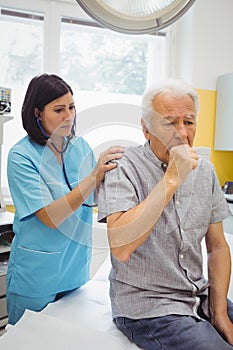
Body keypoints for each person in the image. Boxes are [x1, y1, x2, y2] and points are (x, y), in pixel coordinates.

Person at [98, 79, 233, 349]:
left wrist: (219, 314)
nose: (182, 133)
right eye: (170, 123)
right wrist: (171, 179)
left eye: (189, 122)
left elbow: (217, 247)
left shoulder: (205, 171)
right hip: (147, 305)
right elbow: (121, 247)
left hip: (198, 295)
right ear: (146, 128)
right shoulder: (123, 167)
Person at [6, 73, 124, 325]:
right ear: (37, 113)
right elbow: (49, 217)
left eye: (71, 107)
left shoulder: (79, 147)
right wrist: (93, 177)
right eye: (58, 109)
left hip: (73, 271)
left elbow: (92, 198)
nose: (68, 116)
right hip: (36, 278)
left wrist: (113, 176)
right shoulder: (21, 156)